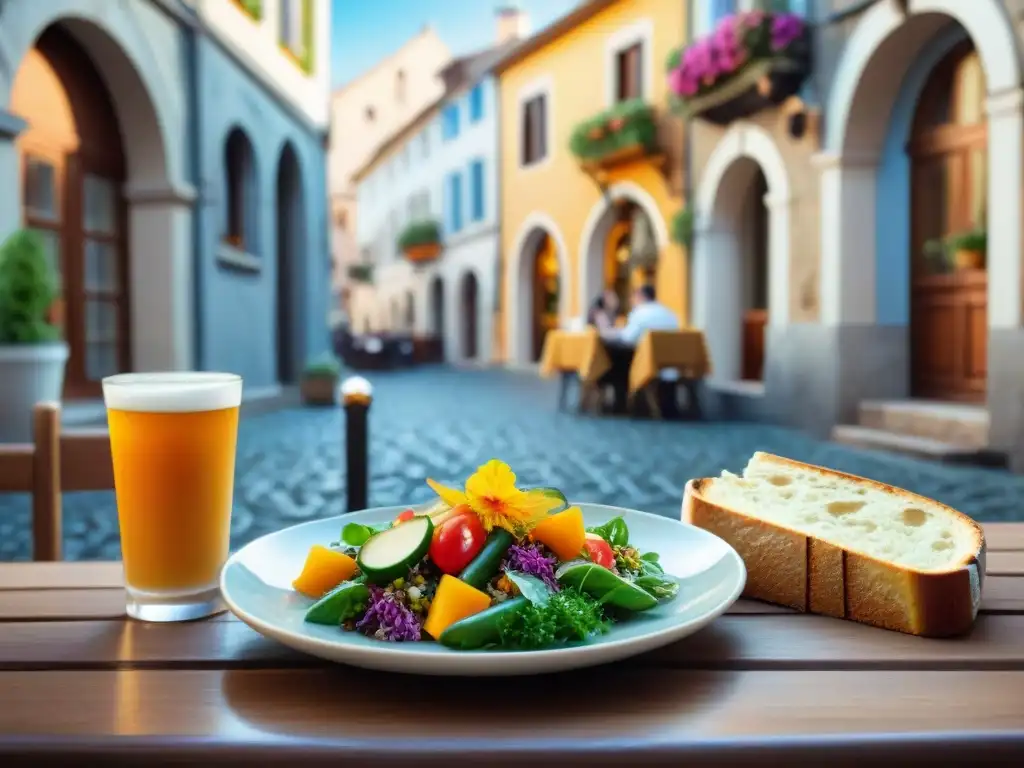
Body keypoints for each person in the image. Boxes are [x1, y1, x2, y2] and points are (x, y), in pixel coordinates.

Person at [600, 284, 680, 415]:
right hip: (669, 365)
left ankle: (621, 405)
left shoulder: (640, 313)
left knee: (618, 362)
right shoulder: (670, 314)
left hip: (646, 364)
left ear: (640, 296)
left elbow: (627, 338)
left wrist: (612, 333)